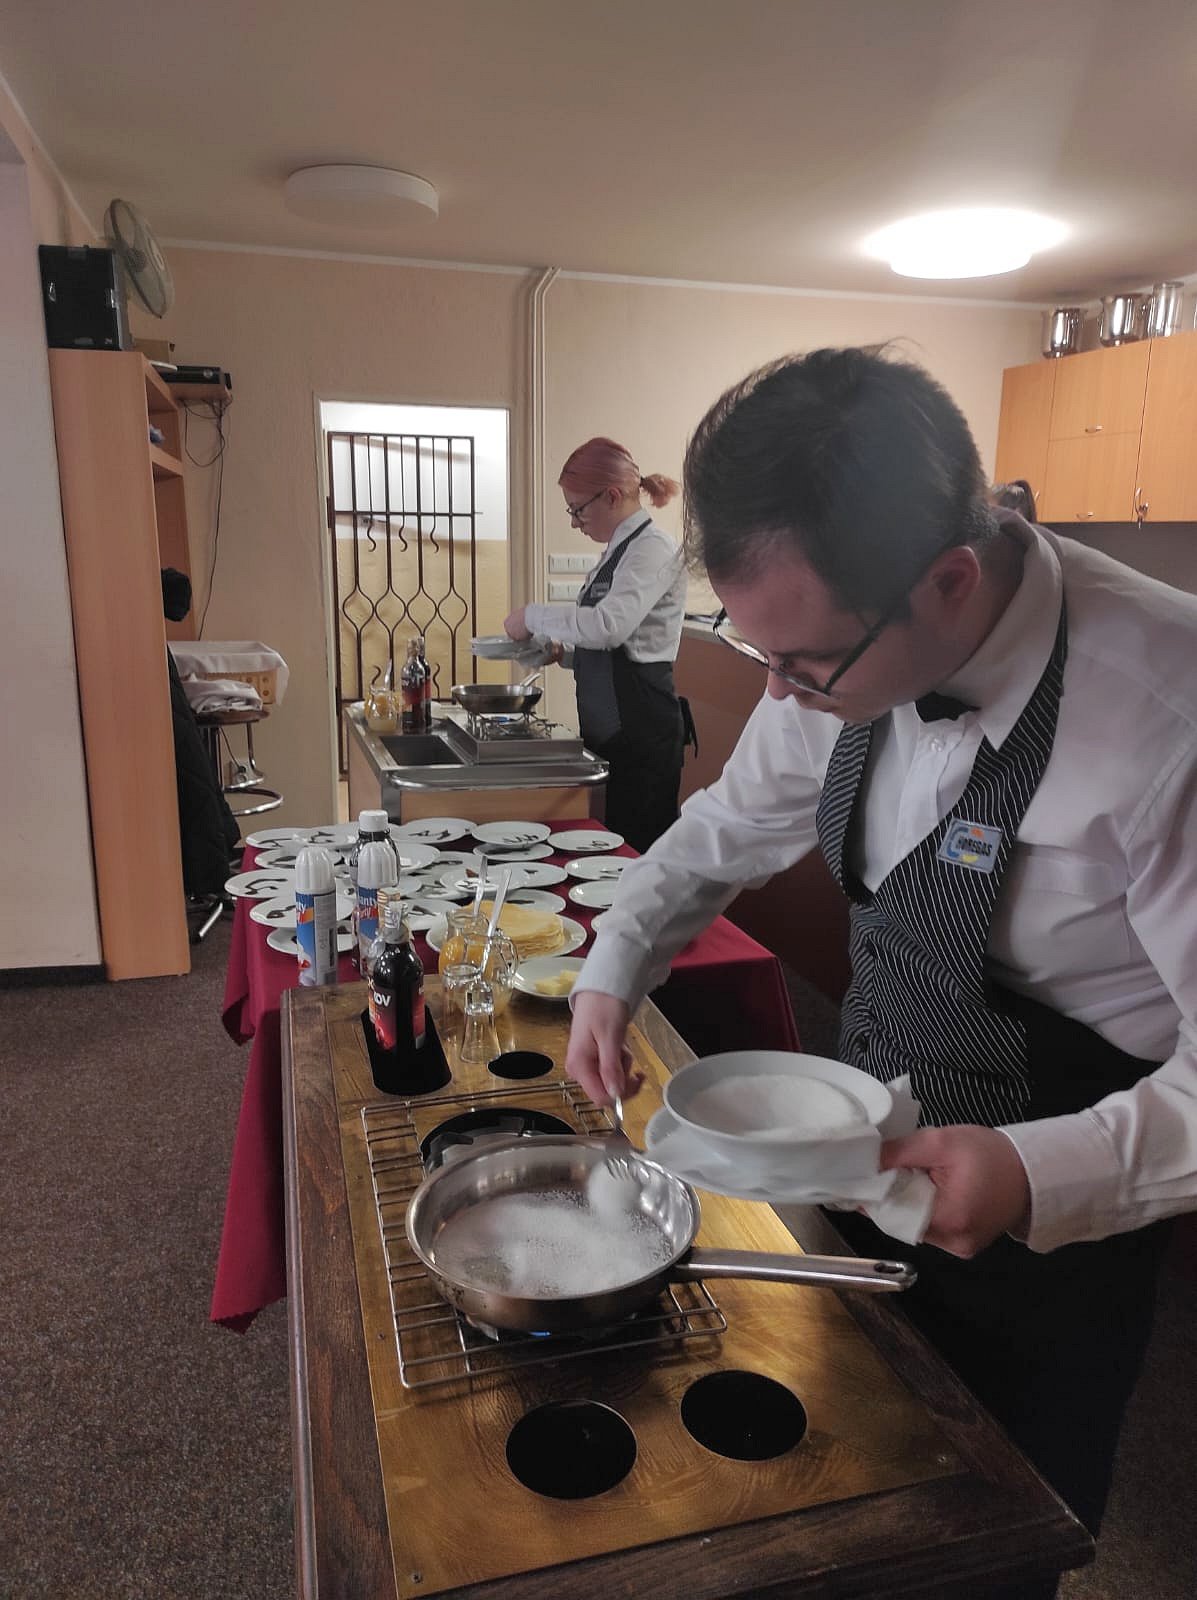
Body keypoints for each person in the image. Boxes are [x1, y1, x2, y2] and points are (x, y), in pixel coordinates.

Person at [564, 347, 1197, 1575]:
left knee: (991, 1541)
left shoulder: (1169, 711)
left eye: (805, 668)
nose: (781, 693)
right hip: (859, 1151)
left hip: (1058, 1215)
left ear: (951, 580)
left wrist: (1037, 1169)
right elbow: (726, 825)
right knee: (849, 1492)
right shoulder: (835, 647)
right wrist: (615, 961)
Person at [503, 436, 692, 852]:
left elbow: (608, 627)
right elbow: (610, 647)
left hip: (641, 734)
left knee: (635, 854)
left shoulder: (652, 550)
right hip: (610, 733)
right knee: (606, 851)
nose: (575, 522)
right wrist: (561, 652)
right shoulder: (616, 553)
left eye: (578, 509)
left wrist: (532, 615)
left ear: (611, 496)